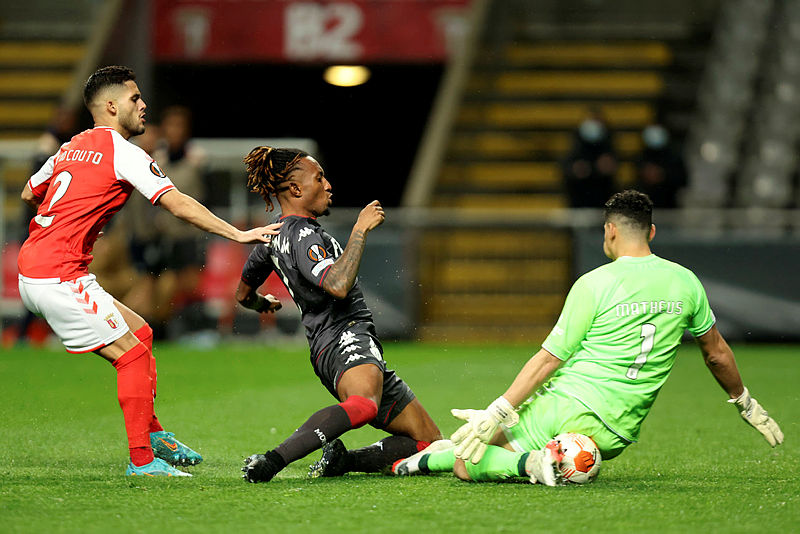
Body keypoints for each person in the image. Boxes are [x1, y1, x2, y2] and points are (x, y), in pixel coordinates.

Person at [393, 190, 783, 485]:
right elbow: (716, 353)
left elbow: (549, 359)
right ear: (651, 231)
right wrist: (744, 402)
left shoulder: (595, 283)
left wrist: (500, 407)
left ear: (610, 230)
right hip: (618, 431)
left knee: (468, 465)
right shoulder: (686, 282)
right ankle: (416, 462)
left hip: (569, 408)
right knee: (474, 445)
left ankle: (530, 463)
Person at [16, 65, 281, 477]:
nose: (144, 105)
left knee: (140, 332)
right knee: (133, 355)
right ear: (110, 105)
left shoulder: (72, 146)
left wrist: (69, 217)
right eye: (134, 98)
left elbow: (29, 191)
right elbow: (176, 202)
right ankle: (142, 460)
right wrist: (238, 233)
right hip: (57, 275)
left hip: (41, 267)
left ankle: (153, 434)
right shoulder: (123, 152)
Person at [237, 146, 442, 483]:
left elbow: (242, 295)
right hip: (345, 336)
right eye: (319, 178)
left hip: (331, 345)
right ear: (296, 189)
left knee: (430, 444)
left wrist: (262, 304)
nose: (328, 185)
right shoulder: (304, 236)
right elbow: (338, 285)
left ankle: (343, 461)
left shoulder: (271, 237)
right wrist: (359, 230)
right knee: (363, 406)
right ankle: (273, 460)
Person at [563, 112, 618, 208]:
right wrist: (574, 170)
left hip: (604, 203)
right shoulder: (575, 149)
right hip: (579, 203)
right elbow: (566, 169)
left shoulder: (609, 147)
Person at [634, 123, 687, 208]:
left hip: (669, 206)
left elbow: (683, 180)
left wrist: (663, 175)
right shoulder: (641, 157)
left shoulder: (674, 157)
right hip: (645, 207)